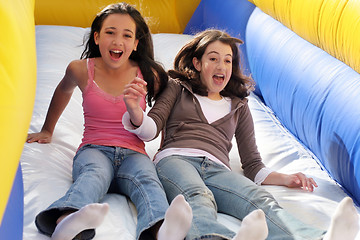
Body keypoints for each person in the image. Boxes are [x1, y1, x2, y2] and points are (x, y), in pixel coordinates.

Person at [122, 29, 359, 240]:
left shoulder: (239, 105)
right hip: (176, 159)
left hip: (217, 168)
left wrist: (286, 178)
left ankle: (316, 237)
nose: (221, 66)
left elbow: (253, 164)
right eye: (213, 58)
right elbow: (151, 129)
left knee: (259, 200)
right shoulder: (177, 87)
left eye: (227, 60)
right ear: (197, 63)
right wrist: (135, 111)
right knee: (198, 196)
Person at [26, 3, 192, 240]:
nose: (118, 41)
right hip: (94, 149)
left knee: (148, 182)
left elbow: (166, 110)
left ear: (136, 44)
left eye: (127, 35)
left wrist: (165, 147)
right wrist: (47, 129)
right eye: (110, 32)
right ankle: (66, 221)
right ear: (96, 37)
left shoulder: (148, 74)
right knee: (93, 175)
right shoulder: (81, 69)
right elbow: (63, 91)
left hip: (134, 153)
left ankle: (160, 230)